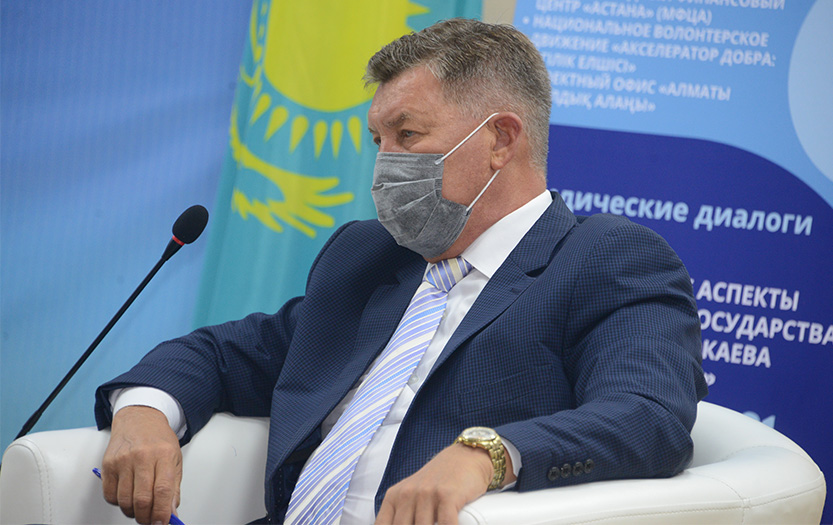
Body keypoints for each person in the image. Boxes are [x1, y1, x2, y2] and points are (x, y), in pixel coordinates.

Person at [95, 18, 708, 525]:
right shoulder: (369, 257)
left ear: (500, 140)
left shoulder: (606, 259)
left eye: (406, 135)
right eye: (377, 140)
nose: (383, 164)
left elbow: (647, 415)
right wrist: (144, 413)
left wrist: (486, 456)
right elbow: (225, 355)